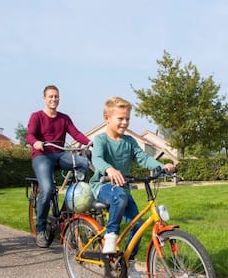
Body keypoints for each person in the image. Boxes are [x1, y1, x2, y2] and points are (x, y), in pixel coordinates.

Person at [89, 97, 176, 264]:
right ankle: (111, 235)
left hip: (122, 189)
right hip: (102, 186)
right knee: (120, 196)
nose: (124, 123)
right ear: (107, 118)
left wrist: (161, 166)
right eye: (120, 119)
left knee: (137, 226)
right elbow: (97, 159)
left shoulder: (129, 141)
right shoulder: (101, 140)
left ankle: (129, 262)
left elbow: (142, 157)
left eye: (127, 119)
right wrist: (109, 169)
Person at [26, 85, 91, 248]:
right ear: (44, 98)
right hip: (42, 156)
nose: (54, 99)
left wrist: (89, 142)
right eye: (51, 96)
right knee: (47, 189)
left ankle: (66, 208)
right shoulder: (37, 116)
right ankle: (41, 229)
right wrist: (36, 142)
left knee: (83, 163)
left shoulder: (64, 118)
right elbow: (30, 135)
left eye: (56, 96)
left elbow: (75, 134)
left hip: (60, 154)